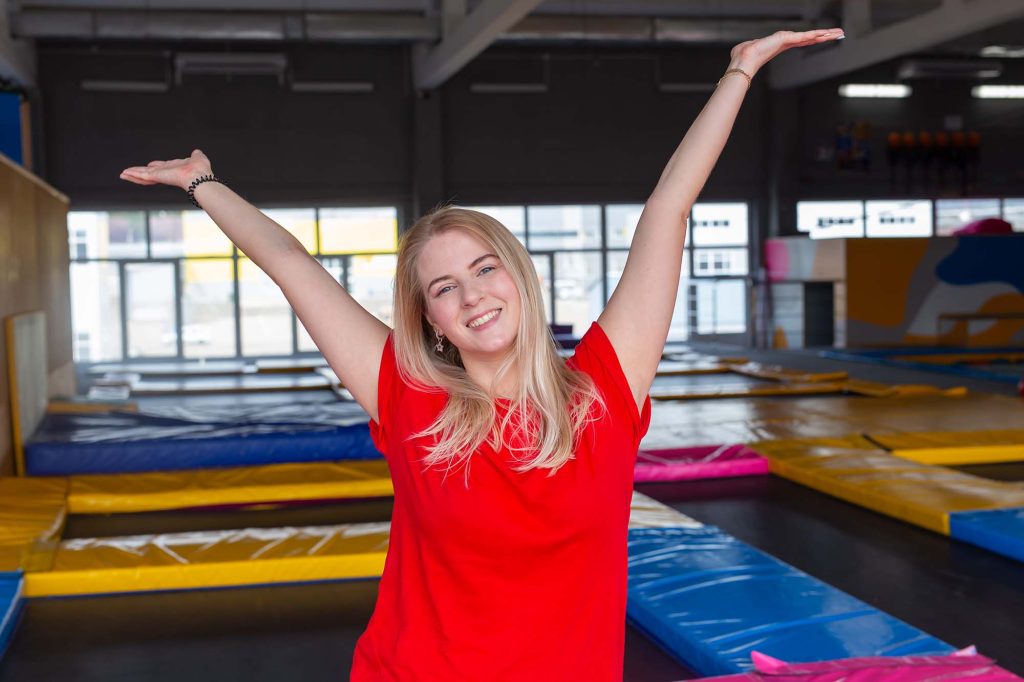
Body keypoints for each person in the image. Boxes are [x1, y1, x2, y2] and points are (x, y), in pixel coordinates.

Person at [120, 28, 843, 681]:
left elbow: (668, 208)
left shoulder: (603, 392)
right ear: (431, 319)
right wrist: (202, 183)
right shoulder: (408, 400)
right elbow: (290, 262)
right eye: (444, 287)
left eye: (485, 268)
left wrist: (740, 72)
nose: (472, 295)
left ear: (518, 275)